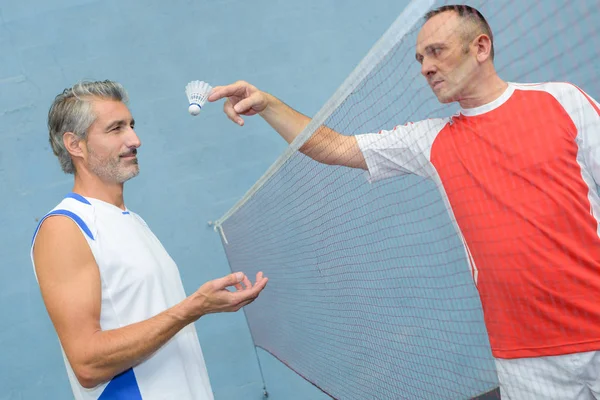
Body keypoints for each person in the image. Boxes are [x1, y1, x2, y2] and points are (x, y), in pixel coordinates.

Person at [208, 4, 600, 399]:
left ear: (480, 47)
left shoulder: (562, 101)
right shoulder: (430, 140)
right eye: (419, 58)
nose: (425, 68)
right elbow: (332, 147)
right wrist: (268, 104)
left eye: (437, 51)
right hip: (523, 356)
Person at [31, 80, 268, 400]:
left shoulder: (134, 222)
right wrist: (192, 309)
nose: (135, 139)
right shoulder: (65, 227)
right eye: (116, 129)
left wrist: (196, 308)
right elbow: (87, 363)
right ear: (75, 145)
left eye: (131, 125)